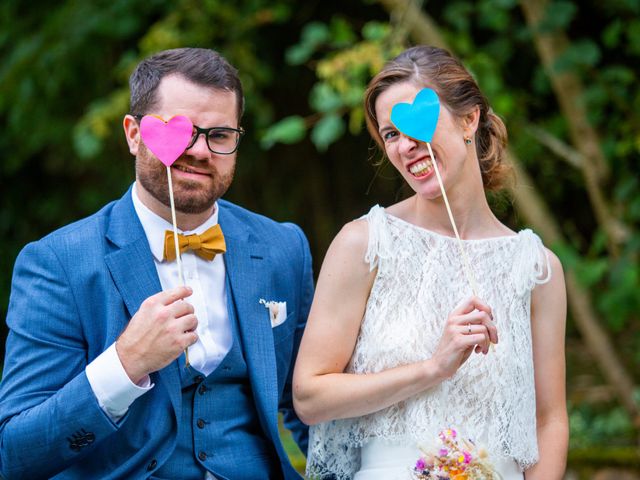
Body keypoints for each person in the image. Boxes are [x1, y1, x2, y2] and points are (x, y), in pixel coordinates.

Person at [0, 47, 312, 479]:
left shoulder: (283, 247)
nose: (200, 151)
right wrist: (125, 363)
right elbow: (14, 452)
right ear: (133, 134)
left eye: (219, 135)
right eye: (179, 129)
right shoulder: (58, 263)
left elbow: (310, 403)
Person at [293, 45, 568, 480]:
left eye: (413, 124)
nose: (404, 145)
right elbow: (309, 398)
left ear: (469, 119)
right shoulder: (363, 244)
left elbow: (548, 422)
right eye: (389, 134)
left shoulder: (537, 269)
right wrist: (431, 368)